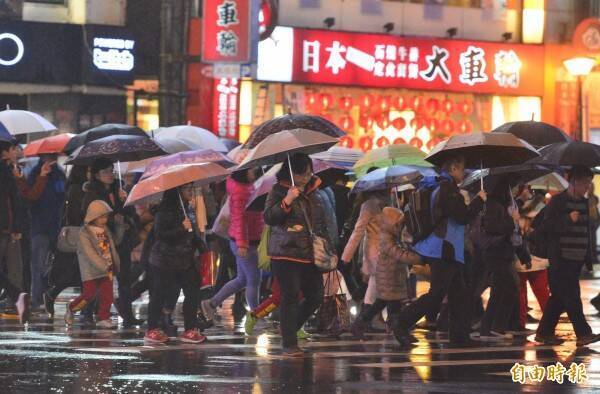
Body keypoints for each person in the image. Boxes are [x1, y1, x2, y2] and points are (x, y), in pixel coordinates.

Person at [393, 155, 486, 347]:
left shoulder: (441, 187)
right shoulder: (447, 189)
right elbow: (462, 216)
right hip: (444, 249)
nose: (464, 172)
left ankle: (460, 336)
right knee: (437, 295)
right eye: (461, 168)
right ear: (453, 168)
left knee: (459, 294)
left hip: (446, 248)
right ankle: (401, 323)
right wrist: (479, 201)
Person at [263, 153, 332, 356]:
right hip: (286, 253)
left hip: (310, 254)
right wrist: (287, 201)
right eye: (302, 173)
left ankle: (289, 329)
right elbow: (269, 217)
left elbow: (321, 222)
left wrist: (328, 245)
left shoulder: (314, 192)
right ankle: (289, 344)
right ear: (291, 172)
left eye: (309, 172)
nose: (306, 177)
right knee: (290, 297)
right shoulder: (278, 191)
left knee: (316, 296)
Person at [535, 166, 600, 347]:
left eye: (589, 182)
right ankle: (583, 333)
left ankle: (544, 332)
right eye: (585, 182)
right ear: (574, 182)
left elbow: (588, 231)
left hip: (577, 258)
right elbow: (543, 227)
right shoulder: (558, 202)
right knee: (571, 296)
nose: (588, 186)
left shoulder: (586, 203)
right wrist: (566, 219)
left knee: (559, 297)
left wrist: (588, 259)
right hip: (561, 258)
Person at [82, 158, 142, 327]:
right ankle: (88, 313)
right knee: (101, 277)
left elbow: (131, 214)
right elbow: (88, 217)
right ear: (96, 175)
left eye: (111, 171)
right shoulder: (92, 193)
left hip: (122, 240)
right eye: (105, 172)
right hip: (102, 239)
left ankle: (128, 315)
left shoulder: (119, 189)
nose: (109, 175)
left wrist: (125, 201)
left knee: (124, 278)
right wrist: (110, 219)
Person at [144, 185, 207, 344]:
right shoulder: (164, 211)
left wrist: (201, 246)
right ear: (177, 192)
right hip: (164, 260)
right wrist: (182, 228)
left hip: (185, 260)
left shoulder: (188, 209)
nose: (191, 193)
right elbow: (161, 235)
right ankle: (152, 329)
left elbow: (192, 233)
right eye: (187, 190)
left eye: (192, 189)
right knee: (160, 294)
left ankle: (190, 329)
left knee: (192, 293)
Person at [201, 169, 263, 323]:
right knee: (253, 279)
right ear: (243, 172)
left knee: (242, 279)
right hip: (244, 242)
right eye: (251, 170)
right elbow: (239, 219)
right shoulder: (240, 192)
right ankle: (256, 316)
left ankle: (211, 303)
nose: (255, 172)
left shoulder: (247, 186)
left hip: (245, 240)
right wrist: (243, 244)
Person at [352, 207, 421, 339]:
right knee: (391, 308)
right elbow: (399, 254)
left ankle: (360, 324)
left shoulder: (394, 237)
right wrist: (420, 259)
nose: (401, 226)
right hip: (388, 278)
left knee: (382, 304)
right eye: (399, 223)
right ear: (391, 224)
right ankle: (401, 335)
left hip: (393, 278)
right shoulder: (386, 239)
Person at [477, 181, 530, 340]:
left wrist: (524, 255)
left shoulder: (505, 204)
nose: (513, 190)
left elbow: (515, 235)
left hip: (504, 253)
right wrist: (512, 219)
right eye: (511, 187)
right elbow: (494, 228)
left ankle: (488, 329)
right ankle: (496, 327)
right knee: (510, 288)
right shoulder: (492, 204)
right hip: (495, 253)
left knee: (499, 291)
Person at [65, 200, 121, 328]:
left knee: (108, 295)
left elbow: (114, 243)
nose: (104, 220)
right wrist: (103, 265)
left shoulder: (105, 230)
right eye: (101, 217)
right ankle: (72, 307)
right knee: (88, 294)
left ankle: (104, 318)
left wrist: (120, 225)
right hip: (91, 269)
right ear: (93, 216)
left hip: (108, 268)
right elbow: (89, 253)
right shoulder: (85, 233)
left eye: (106, 216)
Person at [340, 189, 388, 336]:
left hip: (387, 250)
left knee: (374, 286)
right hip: (374, 251)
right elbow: (358, 231)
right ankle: (363, 320)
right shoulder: (368, 205)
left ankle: (364, 319)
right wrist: (346, 257)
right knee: (376, 285)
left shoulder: (388, 201)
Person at [43, 165, 88, 317]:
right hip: (79, 237)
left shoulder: (82, 188)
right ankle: (53, 294)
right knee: (77, 274)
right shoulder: (77, 190)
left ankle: (85, 308)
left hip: (82, 237)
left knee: (81, 275)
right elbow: (75, 215)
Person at [24, 154, 65, 310]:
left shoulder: (59, 173)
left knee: (53, 265)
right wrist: (42, 176)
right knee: (38, 264)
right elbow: (31, 198)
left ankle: (47, 297)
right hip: (39, 226)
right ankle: (37, 299)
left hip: (55, 226)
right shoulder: (35, 173)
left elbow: (62, 196)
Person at [0, 140, 29, 324]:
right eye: (12, 149)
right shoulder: (5, 171)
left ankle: (17, 294)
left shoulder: (6, 171)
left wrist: (16, 227)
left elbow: (14, 201)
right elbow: (14, 201)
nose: (15, 152)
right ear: (4, 152)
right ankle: (17, 295)